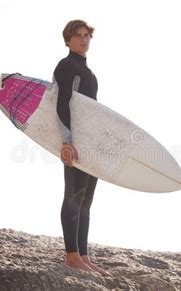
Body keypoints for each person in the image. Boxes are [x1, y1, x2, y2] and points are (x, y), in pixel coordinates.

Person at [53, 19, 111, 277]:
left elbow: (88, 110)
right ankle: (72, 256)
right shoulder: (67, 66)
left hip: (90, 143)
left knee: (86, 202)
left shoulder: (86, 69)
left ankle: (83, 255)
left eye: (87, 35)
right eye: (78, 35)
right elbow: (62, 104)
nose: (84, 39)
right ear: (68, 40)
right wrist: (67, 141)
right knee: (73, 196)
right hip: (75, 142)